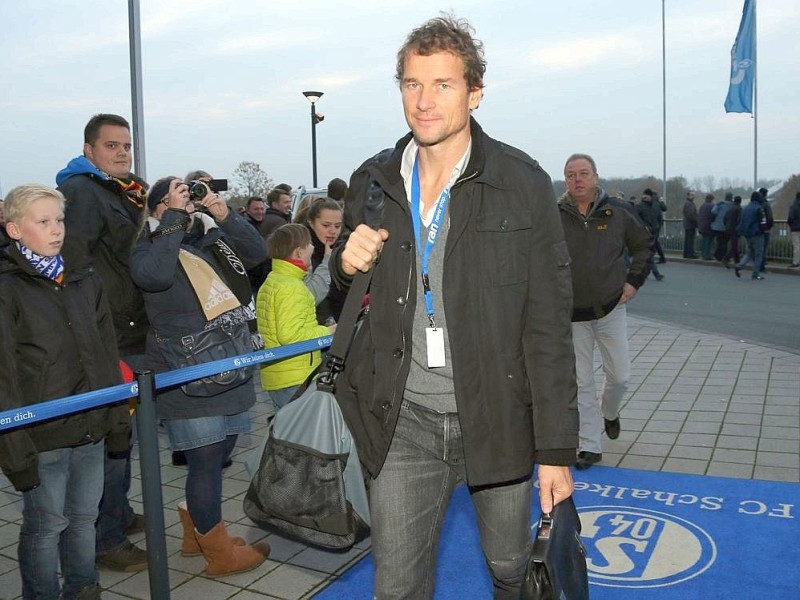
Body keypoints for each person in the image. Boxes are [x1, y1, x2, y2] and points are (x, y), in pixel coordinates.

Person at [329, 15, 578, 598]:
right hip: (402, 420)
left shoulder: (521, 183)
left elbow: (548, 328)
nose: (424, 101)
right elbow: (345, 299)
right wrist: (345, 266)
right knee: (395, 587)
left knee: (510, 569)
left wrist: (556, 452)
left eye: (443, 84)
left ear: (475, 92)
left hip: (496, 418)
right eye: (412, 84)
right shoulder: (374, 180)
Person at [130, 176, 269, 576]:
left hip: (227, 364)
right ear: (158, 209)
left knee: (221, 451)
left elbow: (258, 255)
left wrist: (223, 214)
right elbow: (154, 276)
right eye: (177, 203)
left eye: (191, 203)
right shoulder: (147, 248)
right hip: (186, 374)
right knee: (206, 460)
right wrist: (172, 220)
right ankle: (219, 553)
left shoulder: (208, 240)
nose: (188, 209)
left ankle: (200, 531)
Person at [0, 184, 130, 600]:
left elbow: (107, 351)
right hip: (42, 432)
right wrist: (15, 450)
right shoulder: (8, 288)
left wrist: (115, 419)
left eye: (59, 220)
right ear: (15, 230)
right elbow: (3, 373)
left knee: (83, 515)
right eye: (43, 222)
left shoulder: (82, 274)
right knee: (45, 524)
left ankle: (82, 587)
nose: (56, 230)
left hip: (90, 422)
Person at [55, 113, 148, 572]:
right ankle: (105, 538)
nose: (122, 153)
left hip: (127, 329)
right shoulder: (82, 192)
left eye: (126, 145)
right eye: (111, 146)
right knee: (111, 438)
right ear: (89, 151)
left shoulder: (123, 192)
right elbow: (74, 266)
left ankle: (120, 514)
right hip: (107, 335)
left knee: (122, 435)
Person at [559, 154, 652, 471]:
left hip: (611, 308)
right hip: (572, 314)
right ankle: (589, 446)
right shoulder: (555, 215)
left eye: (584, 173)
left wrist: (634, 281)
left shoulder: (618, 212)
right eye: (571, 175)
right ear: (566, 180)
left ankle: (609, 412)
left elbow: (644, 246)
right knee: (581, 382)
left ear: (596, 177)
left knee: (620, 376)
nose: (578, 180)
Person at [257, 223, 335, 409]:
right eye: (309, 244)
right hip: (295, 376)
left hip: (280, 374)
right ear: (299, 252)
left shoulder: (274, 279)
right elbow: (290, 336)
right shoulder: (292, 287)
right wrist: (327, 331)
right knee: (302, 435)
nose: (313, 247)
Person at [305, 198, 345, 324]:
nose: (332, 231)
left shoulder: (343, 248)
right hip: (315, 330)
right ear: (311, 223)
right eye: (326, 225)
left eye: (337, 226)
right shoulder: (301, 252)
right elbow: (307, 297)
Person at [734, 191, 768, 280]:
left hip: (748, 234)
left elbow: (741, 221)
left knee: (749, 252)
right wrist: (764, 230)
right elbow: (763, 221)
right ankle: (755, 273)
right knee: (758, 254)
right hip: (757, 234)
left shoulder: (745, 208)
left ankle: (739, 266)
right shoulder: (759, 208)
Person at [637, 189, 666, 266]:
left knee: (652, 244)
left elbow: (658, 216)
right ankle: (657, 259)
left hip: (652, 228)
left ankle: (651, 260)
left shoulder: (653, 204)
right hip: (650, 228)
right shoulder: (642, 205)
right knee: (653, 243)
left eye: (646, 196)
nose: (645, 197)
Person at [711, 192, 734, 264]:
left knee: (719, 242)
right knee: (725, 242)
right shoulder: (732, 205)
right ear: (731, 198)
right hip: (727, 227)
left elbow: (713, 212)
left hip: (717, 227)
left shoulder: (720, 204)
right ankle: (723, 256)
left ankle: (718, 256)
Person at [757, 187, 773, 272]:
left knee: (758, 248)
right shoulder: (766, 204)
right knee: (764, 247)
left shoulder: (756, 203)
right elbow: (769, 217)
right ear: (765, 195)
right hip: (765, 228)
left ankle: (757, 265)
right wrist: (769, 227)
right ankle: (762, 266)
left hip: (757, 229)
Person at [724, 194, 743, 265]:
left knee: (734, 245)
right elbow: (740, 220)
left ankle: (737, 260)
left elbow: (725, 218)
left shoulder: (730, 208)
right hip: (735, 229)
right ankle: (726, 258)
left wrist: (726, 225)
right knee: (734, 246)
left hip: (728, 228)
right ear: (740, 201)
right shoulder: (739, 209)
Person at [697, 193, 715, 260]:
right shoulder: (712, 206)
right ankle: (707, 255)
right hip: (709, 226)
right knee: (709, 241)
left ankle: (703, 254)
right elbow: (713, 216)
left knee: (704, 241)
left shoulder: (702, 206)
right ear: (711, 199)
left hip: (702, 226)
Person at [682, 190, 698, 258]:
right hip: (690, 224)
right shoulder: (689, 204)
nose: (693, 196)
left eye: (693, 195)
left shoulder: (688, 203)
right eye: (691, 195)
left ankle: (686, 254)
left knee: (688, 240)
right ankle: (690, 254)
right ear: (688, 195)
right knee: (690, 240)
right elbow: (690, 215)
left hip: (688, 224)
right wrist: (696, 221)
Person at [787, 191, 800, 268]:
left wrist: (791, 226)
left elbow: (790, 218)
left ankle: (796, 262)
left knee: (796, 246)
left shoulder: (793, 206)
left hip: (795, 229)